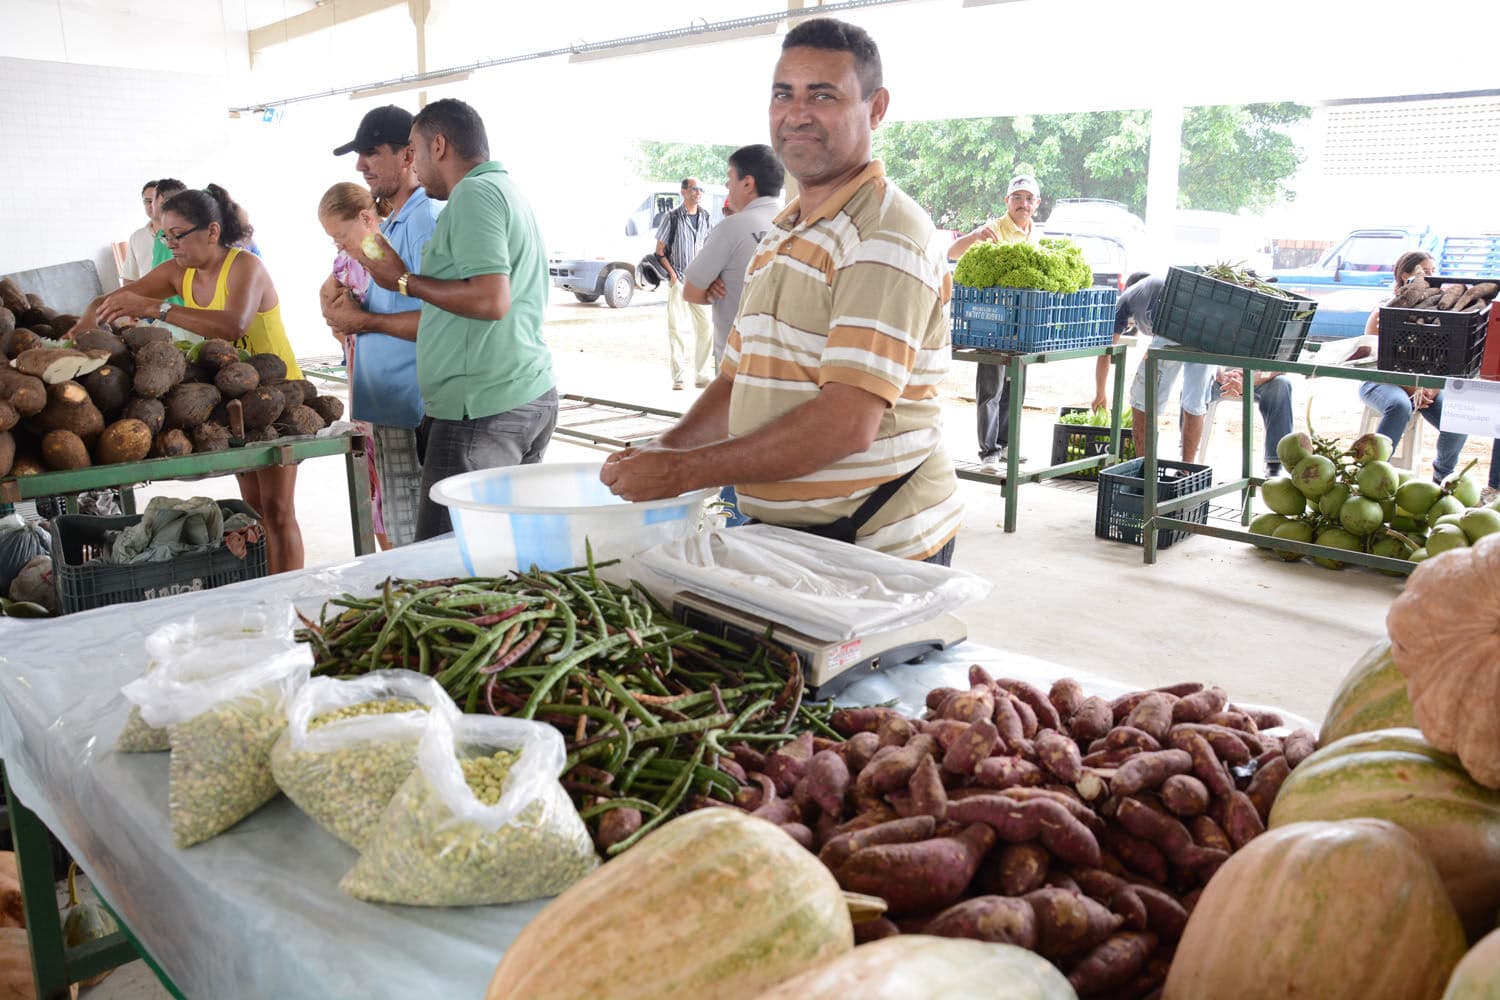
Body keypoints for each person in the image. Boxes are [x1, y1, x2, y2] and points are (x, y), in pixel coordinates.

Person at [601, 16, 961, 564]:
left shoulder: (884, 236)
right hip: (789, 538)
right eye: (783, 94)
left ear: (877, 107)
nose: (797, 114)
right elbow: (737, 378)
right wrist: (664, 447)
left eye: (823, 95)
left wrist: (680, 471)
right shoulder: (786, 229)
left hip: (876, 549)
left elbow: (845, 423)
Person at [68, 185, 308, 574]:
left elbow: (233, 325)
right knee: (256, 510)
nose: (169, 244)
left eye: (177, 235)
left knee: (279, 510)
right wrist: (87, 320)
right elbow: (115, 298)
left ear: (212, 232)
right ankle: (269, 592)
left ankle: (291, 593)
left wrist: (156, 309)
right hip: (236, 400)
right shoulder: (180, 272)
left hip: (278, 399)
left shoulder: (245, 266)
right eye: (164, 235)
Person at [351, 98, 558, 542]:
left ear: (439, 146)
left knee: (444, 564)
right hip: (512, 396)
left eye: (415, 150)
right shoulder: (501, 189)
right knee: (496, 552)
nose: (414, 163)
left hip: (482, 410)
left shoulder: (473, 195)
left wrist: (405, 281)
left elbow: (490, 299)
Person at [324, 105, 441, 549]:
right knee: (394, 522)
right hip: (386, 406)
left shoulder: (425, 220)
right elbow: (357, 280)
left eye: (371, 152)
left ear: (409, 154)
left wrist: (361, 319)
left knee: (415, 538)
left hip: (413, 405)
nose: (360, 165)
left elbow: (439, 320)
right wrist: (340, 304)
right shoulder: (389, 222)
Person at [682, 143, 785, 526]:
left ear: (748, 182)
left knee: (739, 467)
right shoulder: (798, 221)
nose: (727, 190)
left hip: (738, 373)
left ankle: (739, 534)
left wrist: (711, 289)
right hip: (791, 374)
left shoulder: (733, 227)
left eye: (729, 180)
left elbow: (691, 290)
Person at [946, 174, 1042, 473]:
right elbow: (952, 252)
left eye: (1028, 199)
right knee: (992, 387)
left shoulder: (1035, 233)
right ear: (1007, 201)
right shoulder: (993, 229)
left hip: (1022, 323)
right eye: (1017, 198)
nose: (1022, 204)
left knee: (1016, 388)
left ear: (1036, 204)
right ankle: (989, 452)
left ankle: (1006, 445)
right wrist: (975, 238)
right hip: (993, 321)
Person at [1359, 250, 1467, 482]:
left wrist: (1433, 387)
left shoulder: (1436, 312)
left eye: (1433, 272)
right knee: (1399, 406)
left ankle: (1443, 477)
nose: (1431, 276)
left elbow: (1442, 359)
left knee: (1459, 416)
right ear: (1405, 275)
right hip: (1380, 381)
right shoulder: (1383, 311)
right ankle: (1374, 475)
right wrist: (1412, 388)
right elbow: (1375, 360)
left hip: (1423, 386)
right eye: (1425, 272)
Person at [1115, 272, 1215, 462]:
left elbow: (1108, 348)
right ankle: (1186, 469)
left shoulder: (1127, 296)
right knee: (1194, 403)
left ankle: (1145, 469)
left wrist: (1100, 392)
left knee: (1143, 402)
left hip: (1172, 328)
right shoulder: (1152, 285)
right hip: (1205, 331)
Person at [655, 177, 715, 390]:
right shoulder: (671, 218)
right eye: (693, 189)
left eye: (700, 189)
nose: (698, 192)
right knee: (677, 329)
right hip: (678, 279)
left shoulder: (706, 217)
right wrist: (672, 275)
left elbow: (710, 249)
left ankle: (702, 376)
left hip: (700, 281)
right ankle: (678, 377)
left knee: (706, 328)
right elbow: (659, 252)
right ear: (683, 191)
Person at [120, 180, 157, 283]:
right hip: (147, 297)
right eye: (147, 201)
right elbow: (129, 278)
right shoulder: (137, 237)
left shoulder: (177, 236)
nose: (152, 205)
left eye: (155, 200)